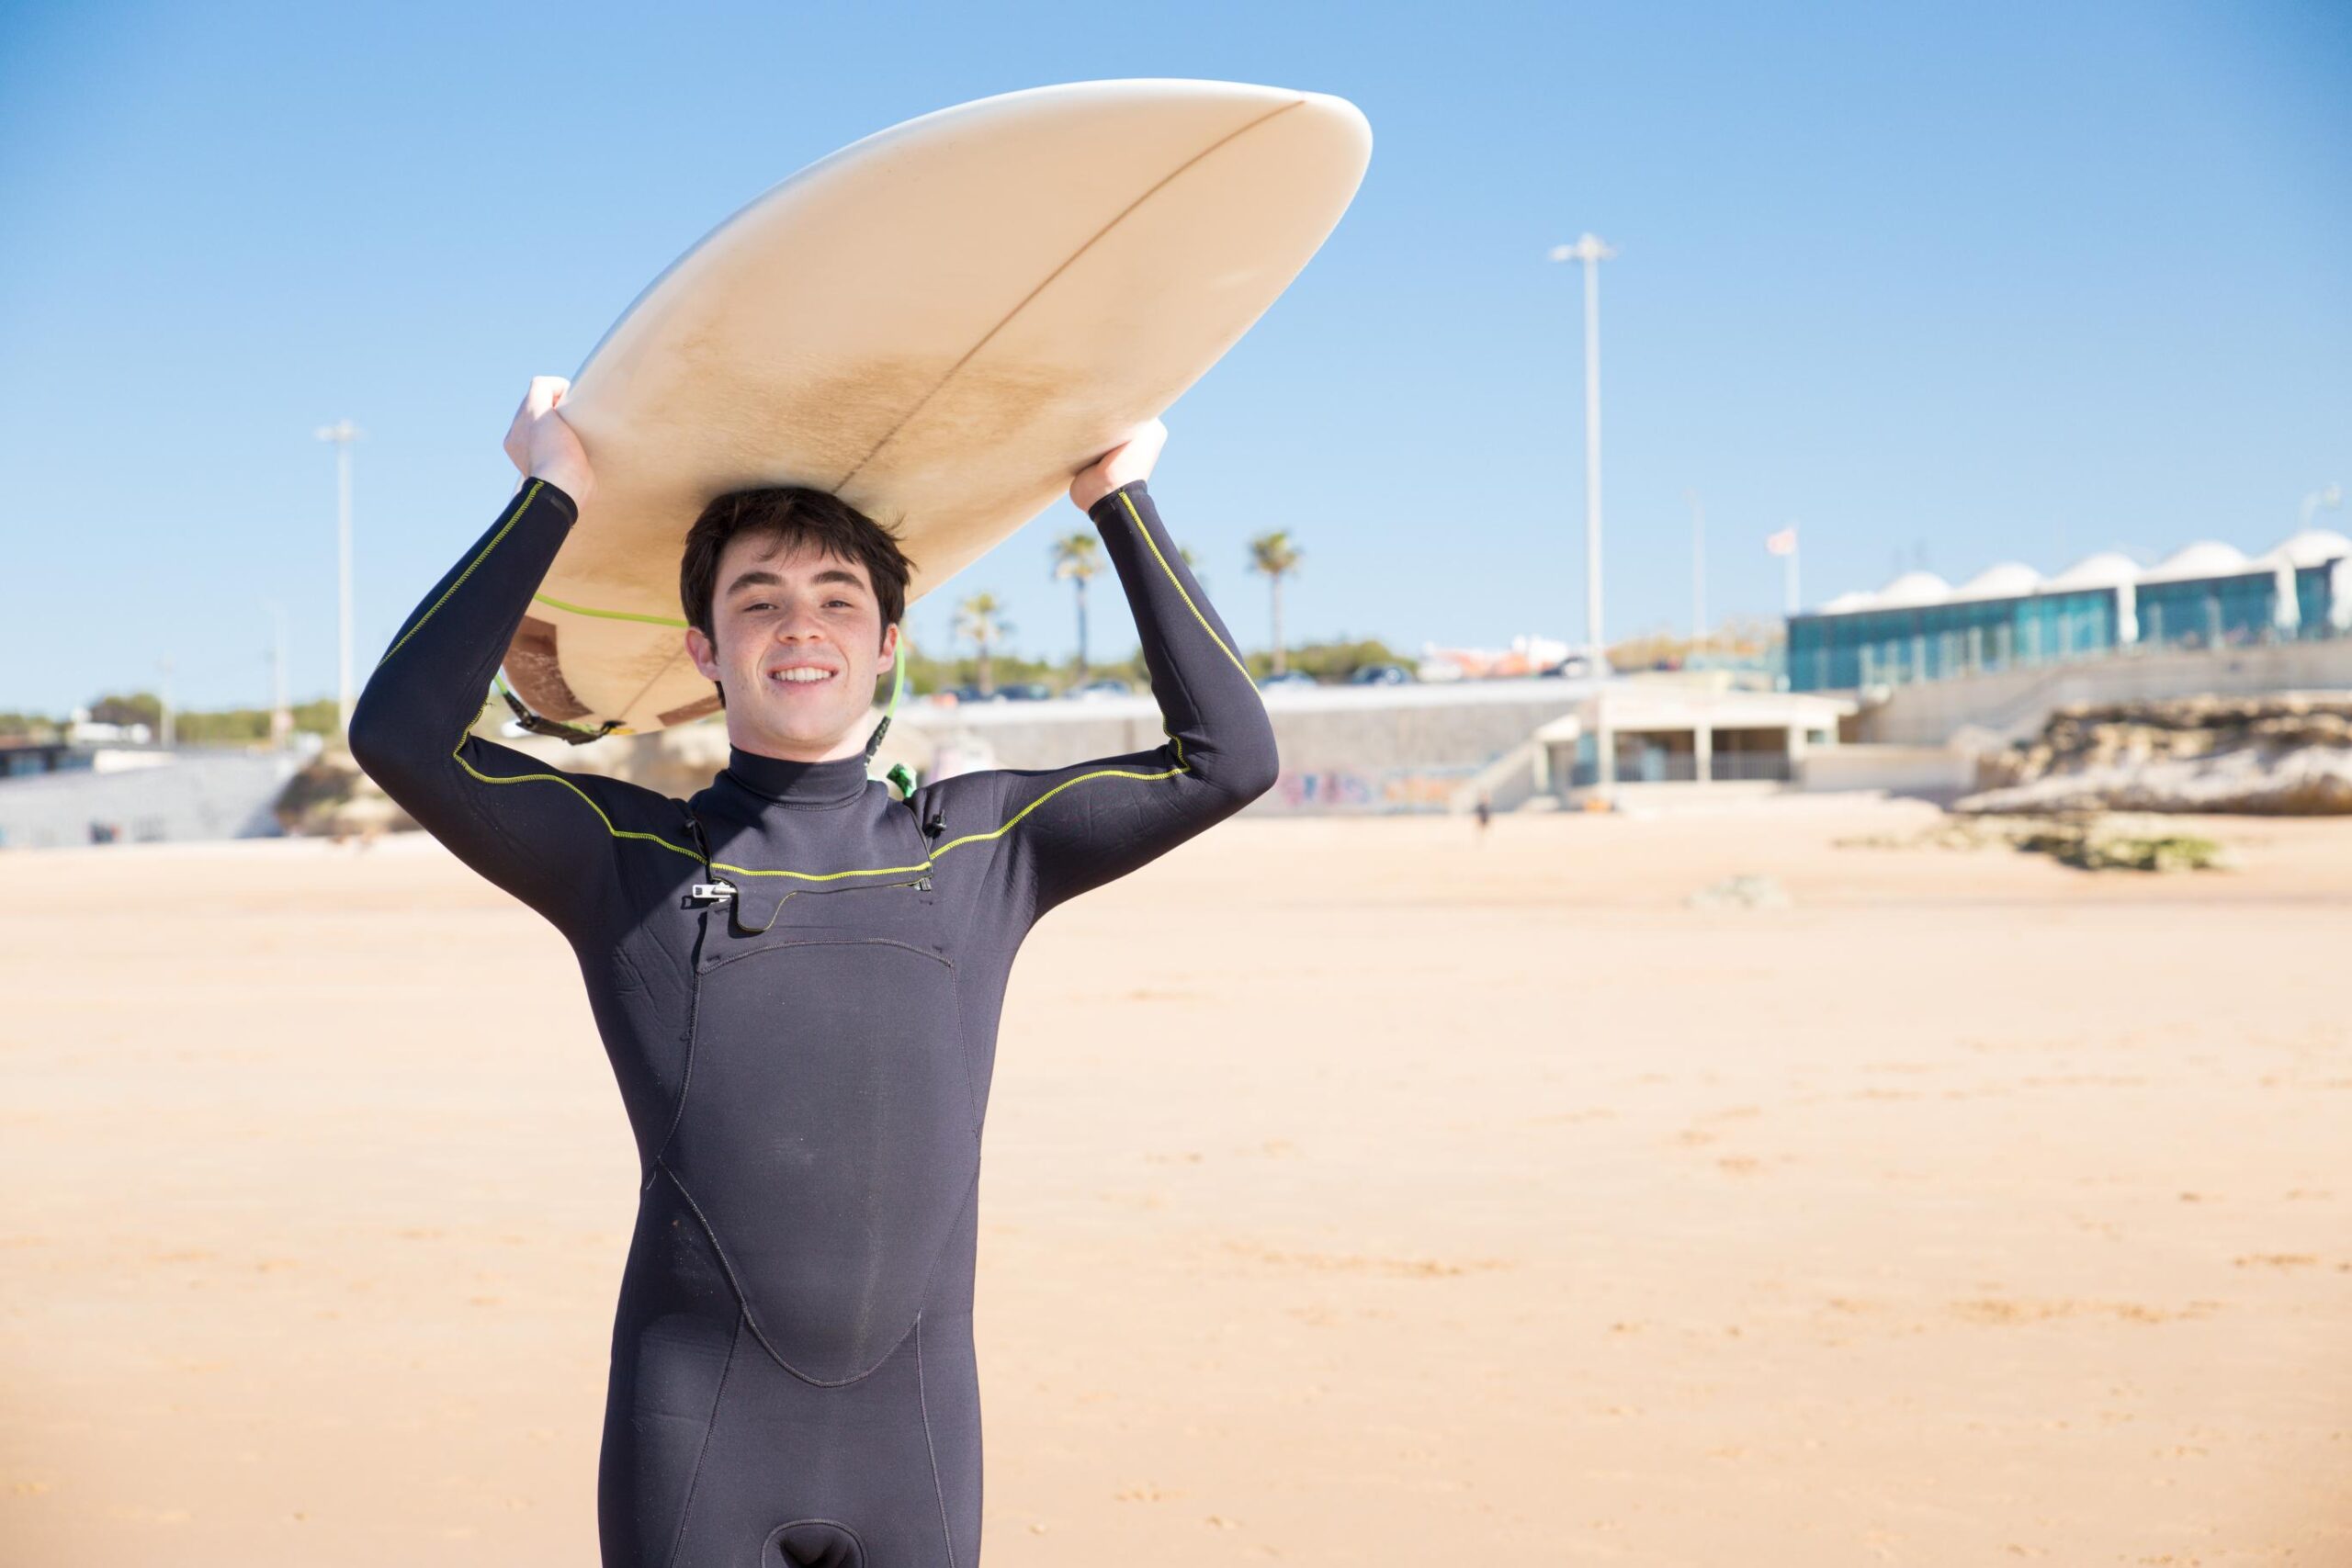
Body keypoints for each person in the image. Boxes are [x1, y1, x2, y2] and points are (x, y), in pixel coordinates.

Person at [350, 377, 1279, 1568]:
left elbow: (1230, 758)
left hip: (920, 1448)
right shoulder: (629, 860)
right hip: (696, 1439)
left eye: (839, 599)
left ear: (887, 645)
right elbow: (401, 737)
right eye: (760, 600)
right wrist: (554, 490)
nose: (802, 624)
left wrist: (1119, 500)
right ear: (705, 649)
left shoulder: (982, 848)